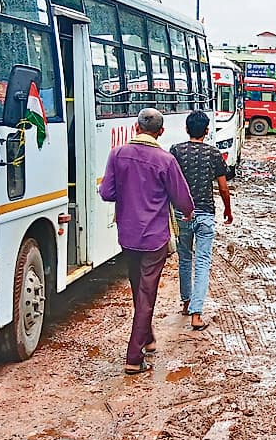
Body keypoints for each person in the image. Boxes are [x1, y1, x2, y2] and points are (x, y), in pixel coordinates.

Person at [99, 109, 195, 375]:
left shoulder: (117, 154)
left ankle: (148, 337)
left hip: (127, 235)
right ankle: (133, 356)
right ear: (160, 132)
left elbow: (107, 193)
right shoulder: (165, 160)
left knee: (137, 287)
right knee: (147, 293)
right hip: (154, 238)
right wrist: (188, 212)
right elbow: (182, 198)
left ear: (136, 127)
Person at [170, 110, 233, 331]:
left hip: (182, 212)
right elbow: (223, 187)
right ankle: (197, 314)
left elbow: (169, 181)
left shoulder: (176, 151)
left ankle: (186, 303)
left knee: (184, 258)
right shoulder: (213, 153)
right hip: (205, 213)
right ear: (207, 131)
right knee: (203, 262)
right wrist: (228, 210)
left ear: (187, 129)